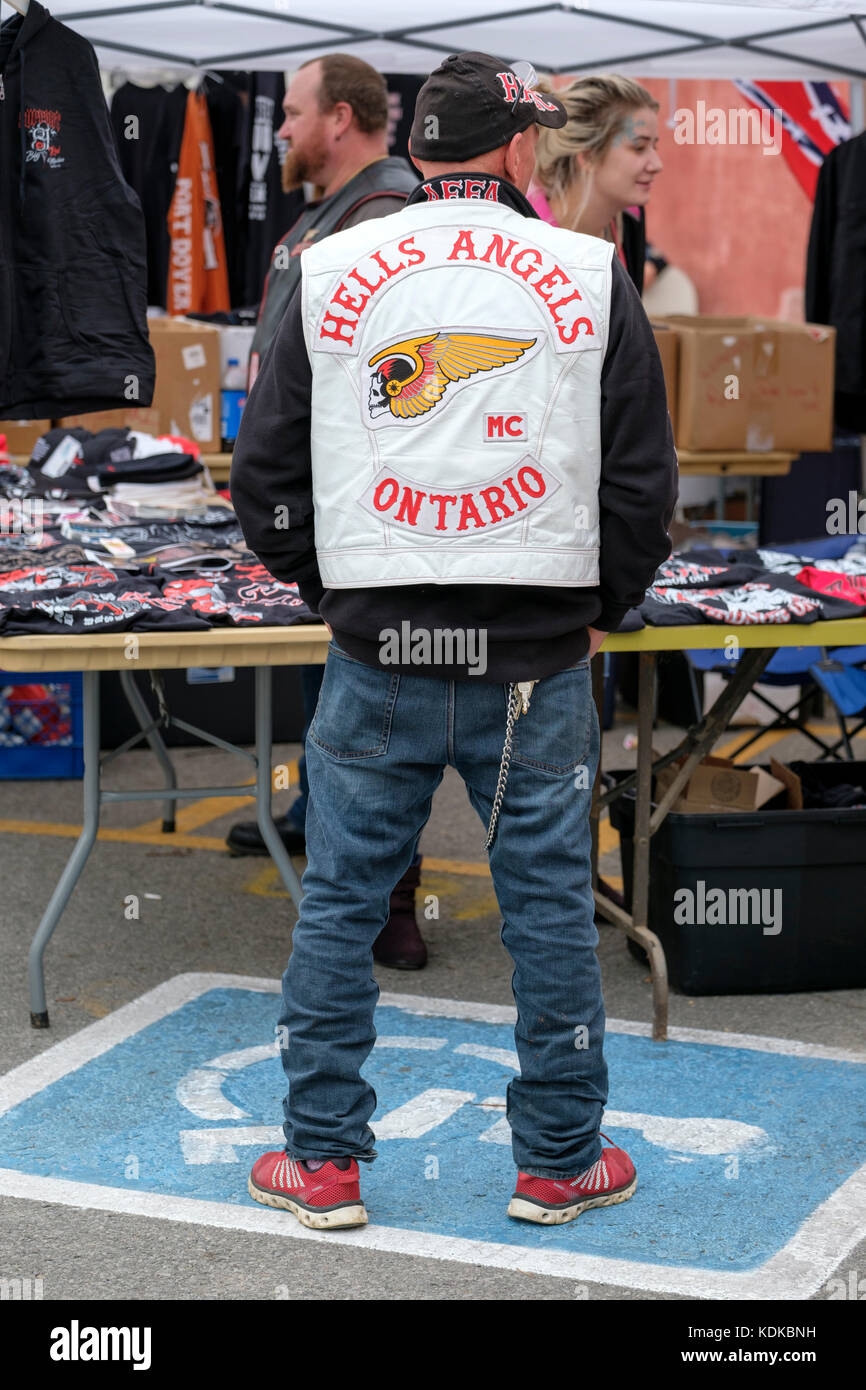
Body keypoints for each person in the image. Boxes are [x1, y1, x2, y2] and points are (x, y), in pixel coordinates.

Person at [230, 50, 677, 1231]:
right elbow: (641, 485)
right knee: (543, 906)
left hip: (377, 649)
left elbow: (265, 474)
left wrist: (336, 586)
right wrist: (601, 608)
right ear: (521, 148)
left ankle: (321, 1163)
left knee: (338, 902)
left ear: (419, 146)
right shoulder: (588, 270)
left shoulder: (328, 263)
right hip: (537, 658)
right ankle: (557, 1160)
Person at [225, 54, 427, 970]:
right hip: (327, 515)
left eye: (293, 114)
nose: (280, 130)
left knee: (380, 711)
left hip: (359, 520)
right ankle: (318, 819)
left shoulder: (382, 220)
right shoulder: (335, 212)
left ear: (340, 118)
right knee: (340, 698)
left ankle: (392, 904)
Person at [529, 74, 663, 295]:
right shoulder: (530, 238)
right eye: (639, 148)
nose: (657, 165)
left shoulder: (630, 220)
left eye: (654, 147)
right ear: (589, 156)